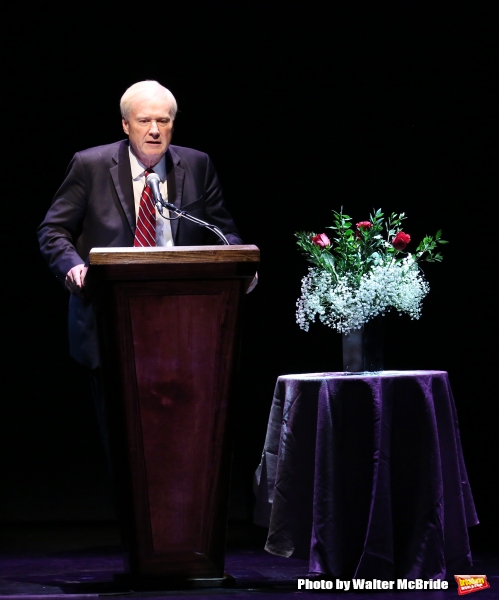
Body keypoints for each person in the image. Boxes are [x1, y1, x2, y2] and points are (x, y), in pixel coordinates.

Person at [38, 80, 250, 370]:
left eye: (163, 121)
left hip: (185, 320)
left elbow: (223, 232)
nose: (154, 130)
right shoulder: (90, 165)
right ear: (126, 125)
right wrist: (72, 266)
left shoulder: (198, 165)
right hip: (108, 317)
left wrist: (237, 263)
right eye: (144, 121)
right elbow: (53, 230)